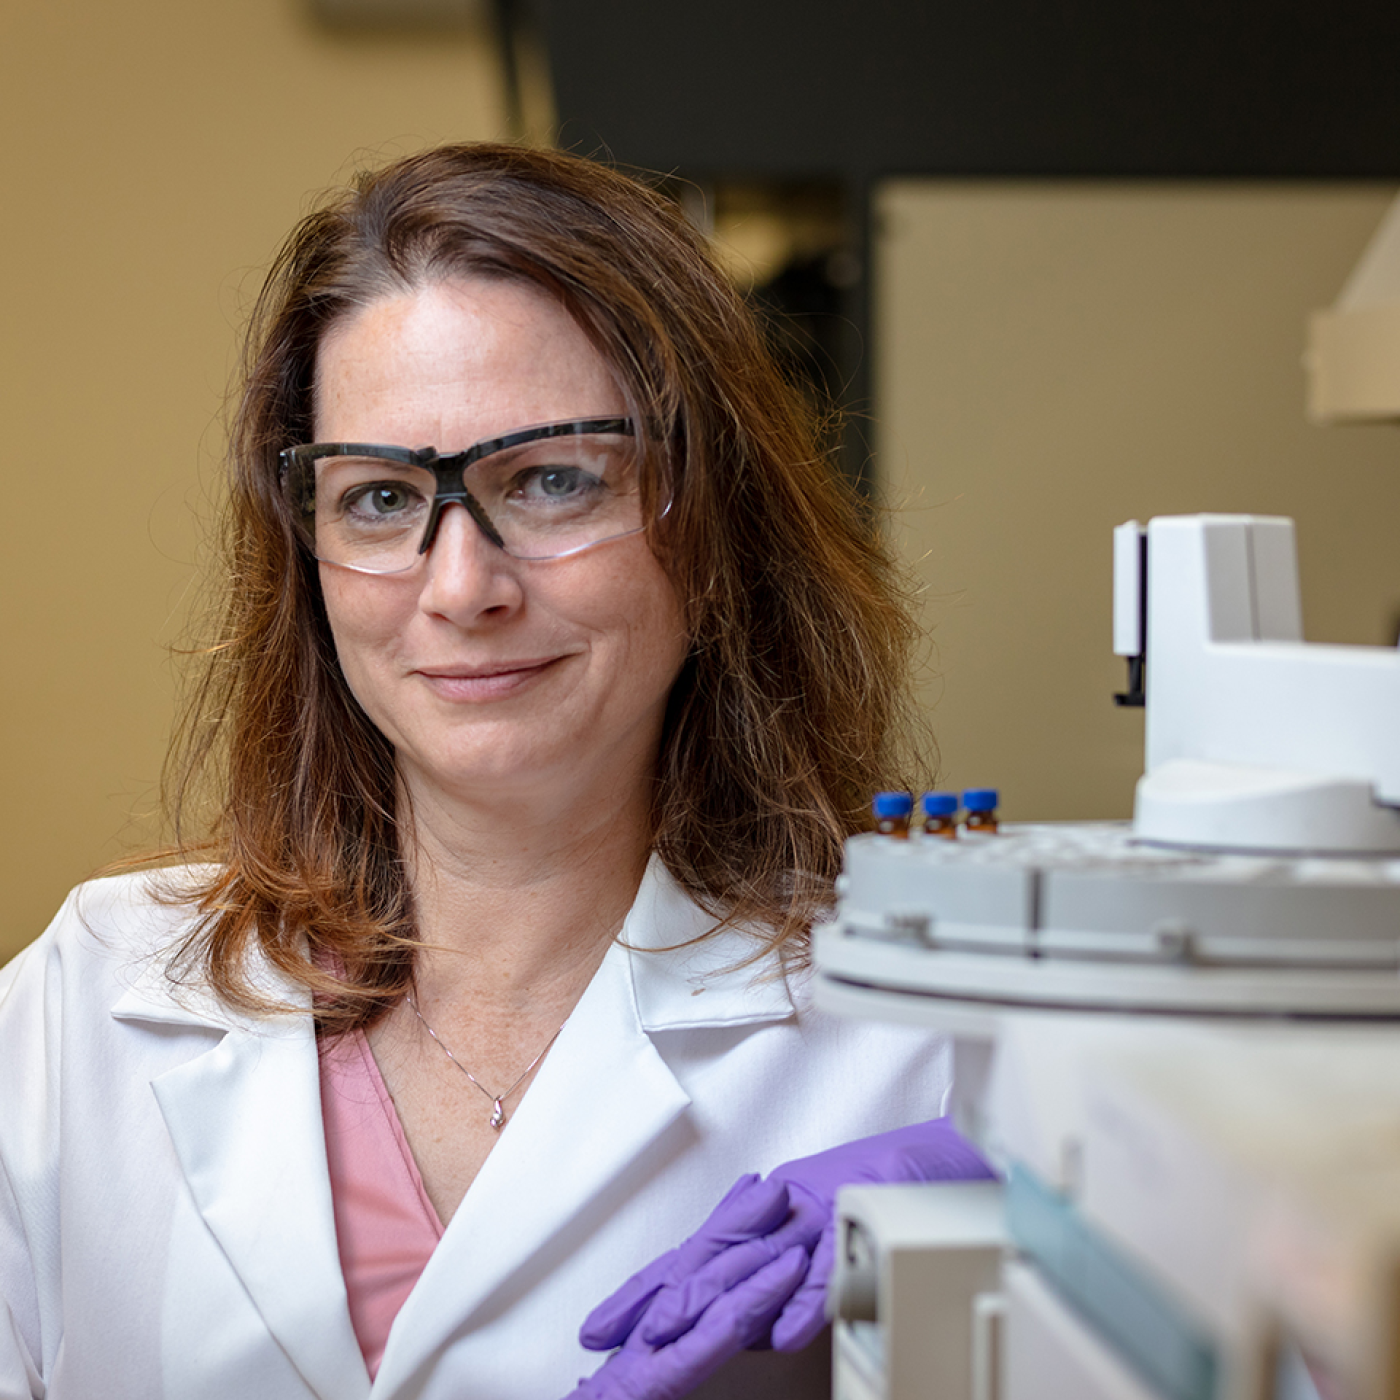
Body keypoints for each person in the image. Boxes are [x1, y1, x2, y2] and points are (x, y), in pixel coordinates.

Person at [0, 144, 988, 1400]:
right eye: (375, 498)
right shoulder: (90, 1001)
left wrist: (1072, 1264)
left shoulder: (915, 1035)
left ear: (717, 516)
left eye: (554, 478)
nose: (461, 586)